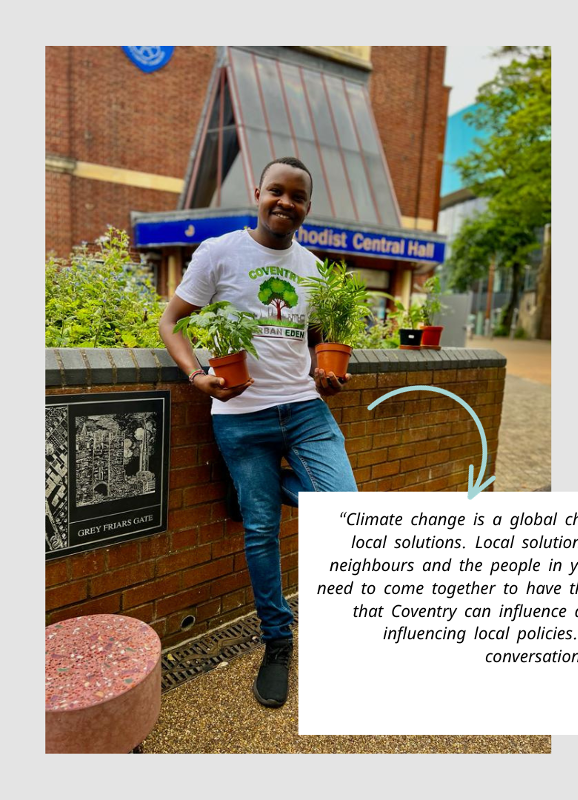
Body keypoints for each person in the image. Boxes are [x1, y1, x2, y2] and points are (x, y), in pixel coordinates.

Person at [159, 156, 357, 708]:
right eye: (277, 191)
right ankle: (278, 642)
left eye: (297, 197)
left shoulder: (313, 268)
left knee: (345, 506)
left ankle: (270, 482)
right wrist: (198, 376)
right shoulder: (219, 253)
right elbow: (170, 321)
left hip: (303, 410)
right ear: (258, 192)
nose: (285, 202)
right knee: (260, 535)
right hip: (240, 420)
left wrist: (329, 371)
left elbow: (319, 338)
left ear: (307, 209)